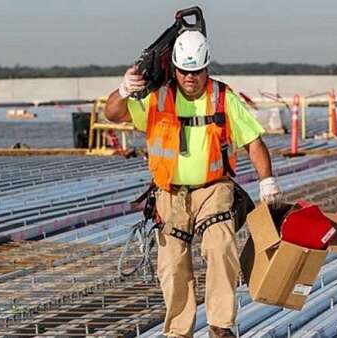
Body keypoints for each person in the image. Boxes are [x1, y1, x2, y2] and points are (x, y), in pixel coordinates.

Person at [104, 30, 281, 338]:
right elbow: (113, 113)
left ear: (207, 67)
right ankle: (177, 332)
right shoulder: (157, 97)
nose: (190, 78)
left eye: (196, 71)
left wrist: (268, 182)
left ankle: (221, 326)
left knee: (221, 247)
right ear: (174, 67)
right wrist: (122, 90)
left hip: (213, 189)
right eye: (184, 71)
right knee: (172, 266)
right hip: (170, 194)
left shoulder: (222, 97)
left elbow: (253, 141)